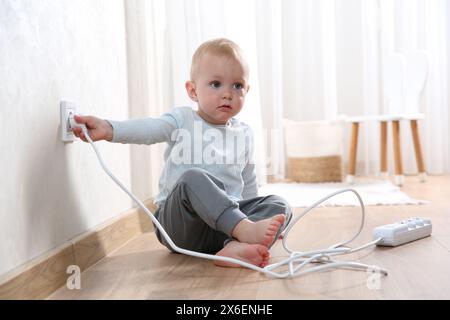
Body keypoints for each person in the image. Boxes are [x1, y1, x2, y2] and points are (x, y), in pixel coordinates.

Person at [73, 38, 292, 268]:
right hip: (181, 225)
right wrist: (109, 129)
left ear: (246, 90)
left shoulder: (244, 133)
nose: (227, 94)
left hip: (222, 227)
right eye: (216, 84)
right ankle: (243, 231)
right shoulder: (182, 120)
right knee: (192, 178)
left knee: (279, 203)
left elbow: (248, 181)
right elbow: (150, 129)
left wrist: (253, 215)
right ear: (192, 90)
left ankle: (233, 245)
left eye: (237, 86)